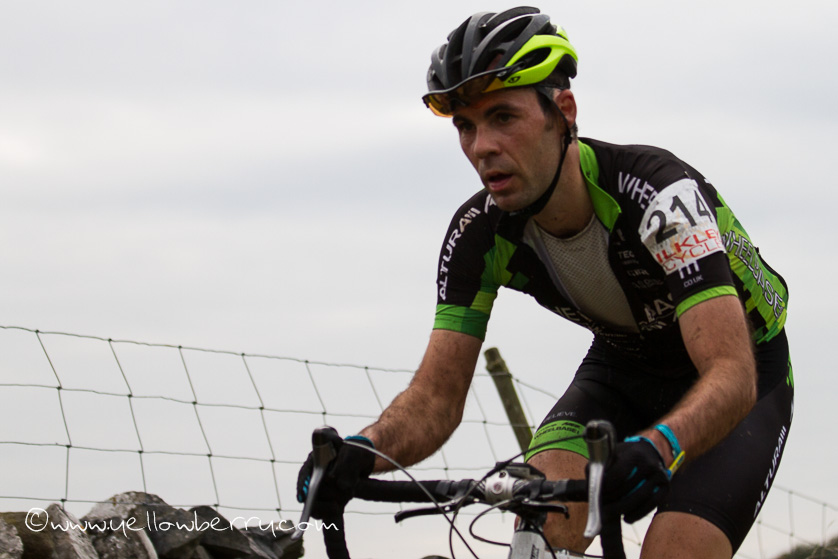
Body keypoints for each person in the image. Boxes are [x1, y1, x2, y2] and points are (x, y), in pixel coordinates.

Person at [297, 7, 793, 558]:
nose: (481, 146)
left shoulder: (658, 196)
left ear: (563, 113)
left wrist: (662, 444)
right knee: (540, 531)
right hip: (622, 369)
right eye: (465, 126)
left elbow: (730, 370)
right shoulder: (479, 235)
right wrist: (363, 450)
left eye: (503, 117)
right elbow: (436, 398)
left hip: (744, 371)